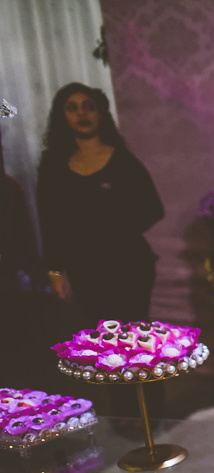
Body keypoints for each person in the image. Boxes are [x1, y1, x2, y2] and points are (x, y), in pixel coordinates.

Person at [37, 83, 165, 417]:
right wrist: (55, 272)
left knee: (136, 340)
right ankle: (123, 416)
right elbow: (50, 222)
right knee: (104, 345)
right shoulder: (53, 167)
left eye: (88, 106)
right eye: (72, 107)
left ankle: (155, 415)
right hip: (85, 270)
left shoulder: (121, 160)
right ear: (62, 116)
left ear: (99, 114)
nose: (81, 113)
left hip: (130, 265)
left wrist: (111, 229)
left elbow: (153, 208)